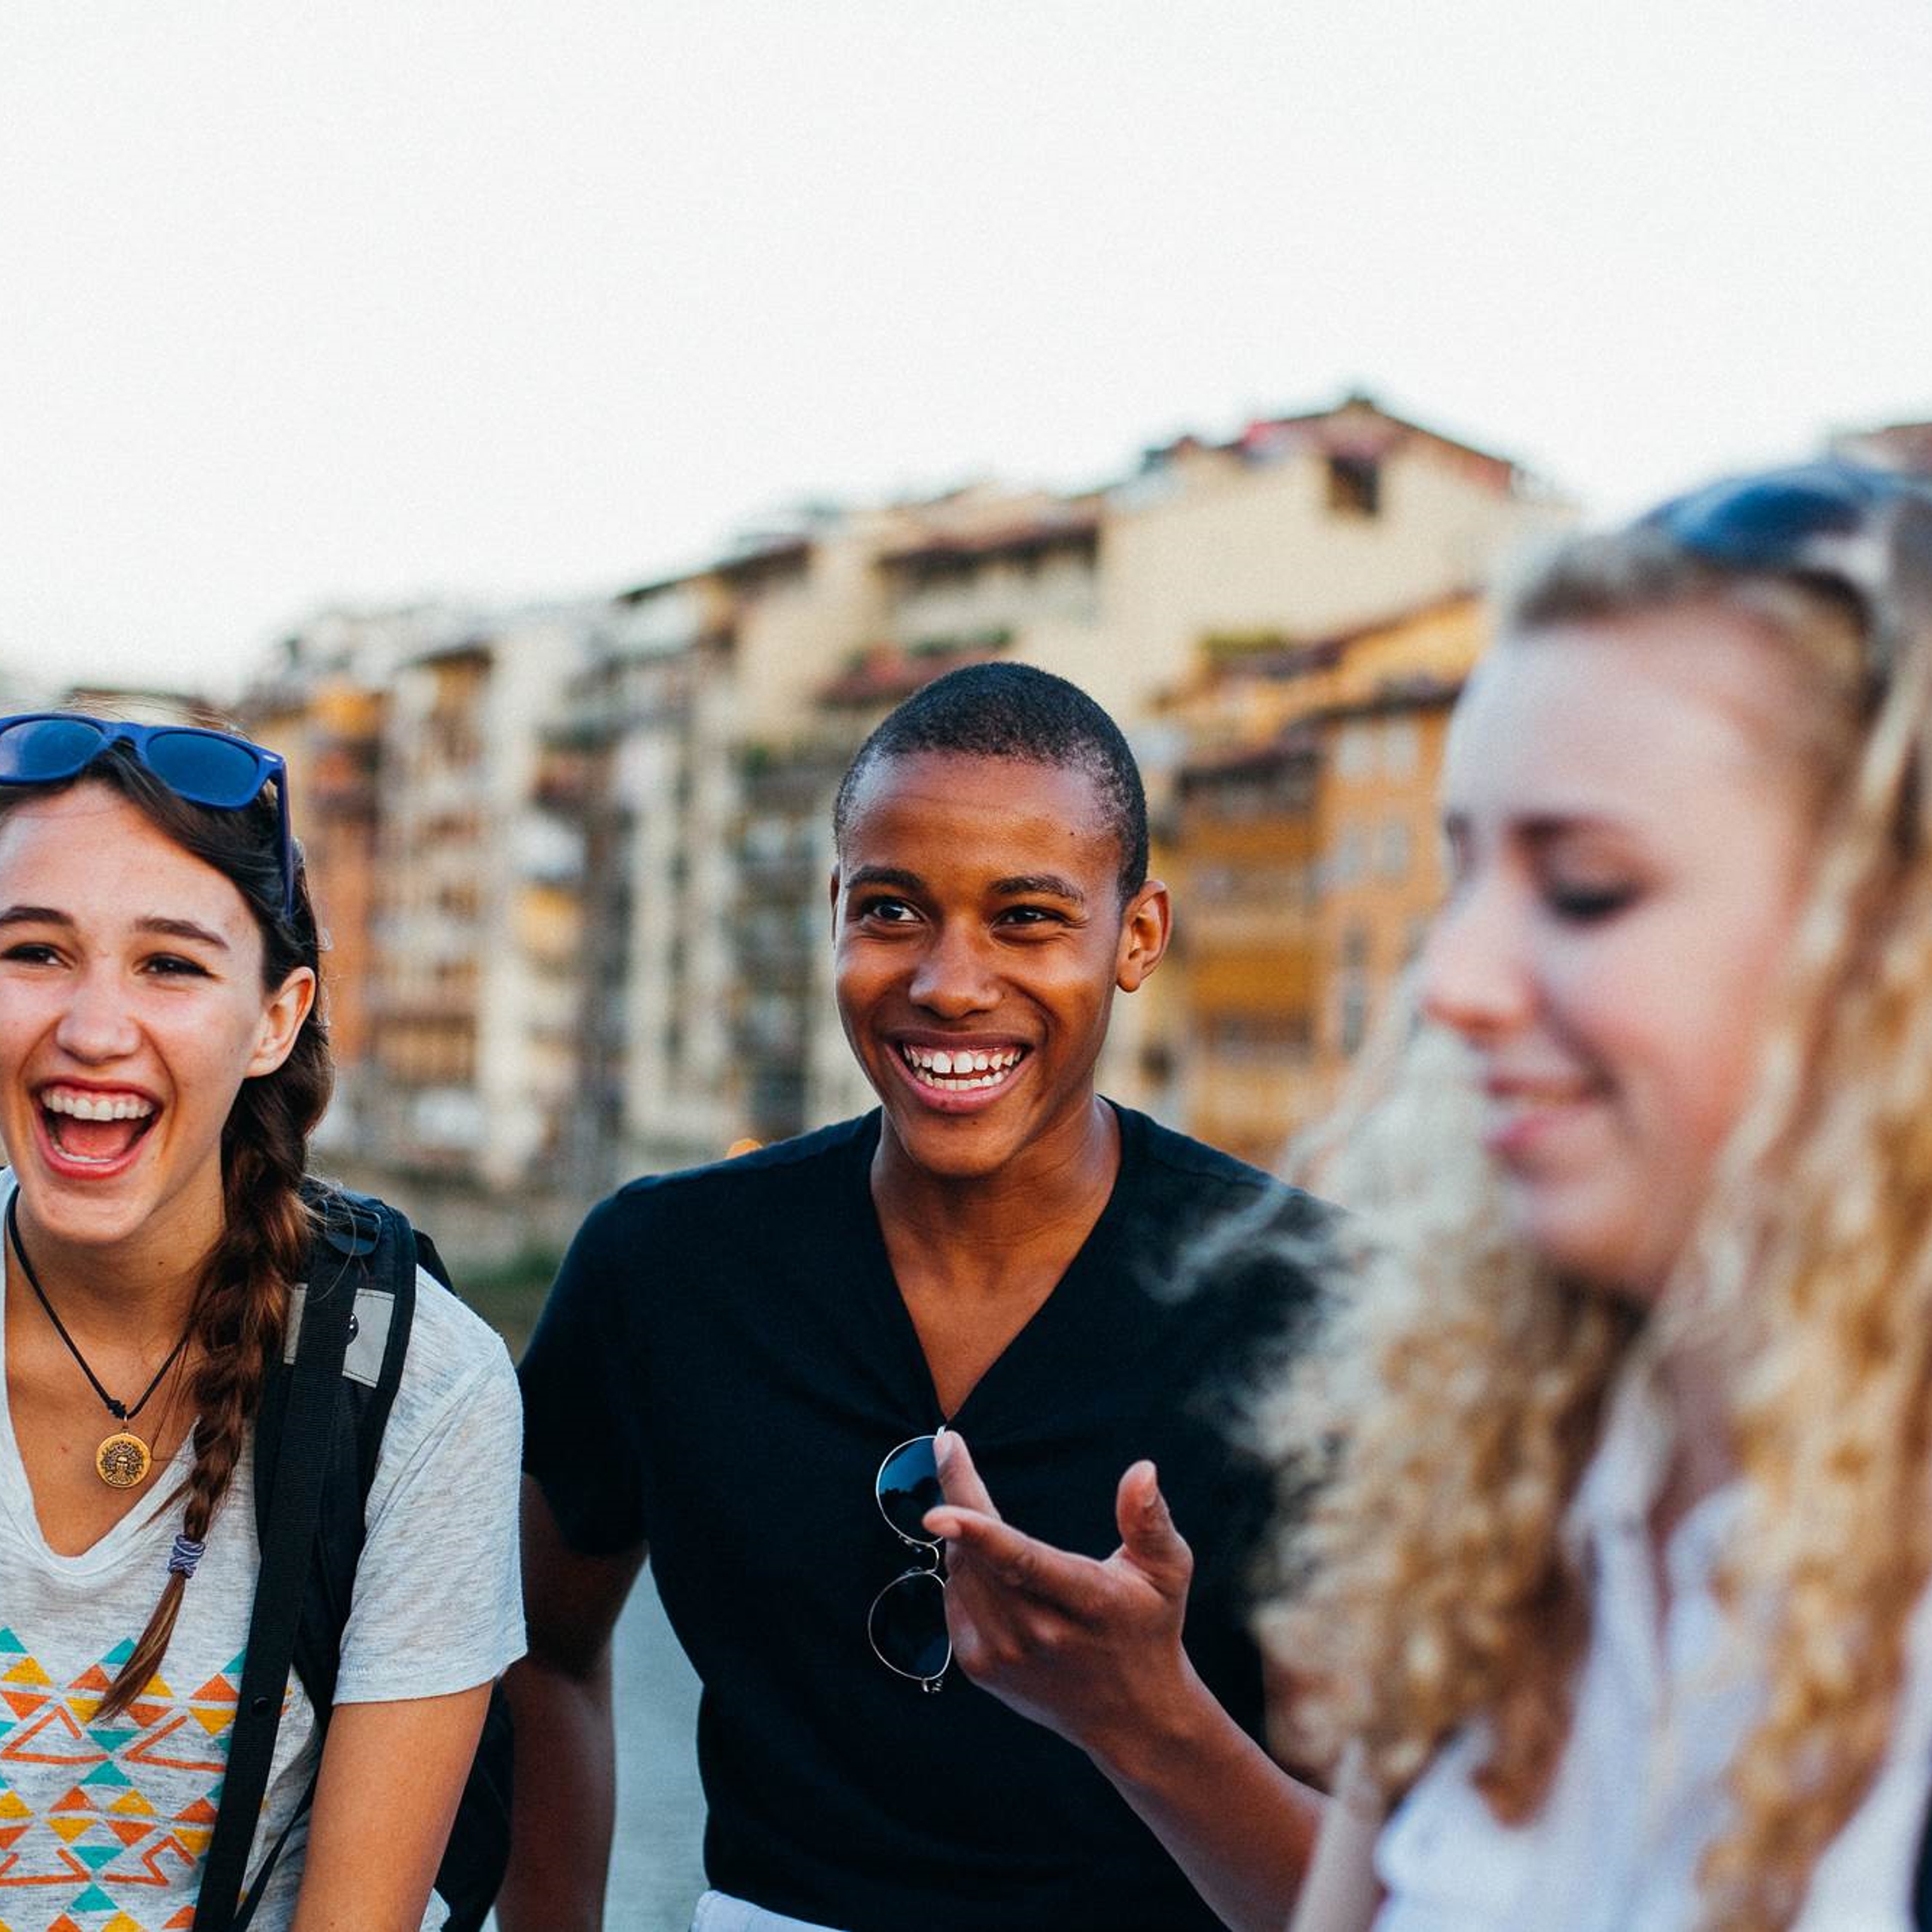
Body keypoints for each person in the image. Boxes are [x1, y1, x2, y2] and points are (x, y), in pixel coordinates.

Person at [505, 662, 1328, 1932]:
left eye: (1027, 919)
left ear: (1137, 936)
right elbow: (539, 1650)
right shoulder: (662, 1270)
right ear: (833, 910)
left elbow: (1401, 1894)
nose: (949, 982)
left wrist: (1147, 1717)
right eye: (892, 910)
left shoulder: (1315, 1305)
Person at [1243, 460, 1932, 1931]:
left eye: (1586, 888)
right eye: (1462, 872)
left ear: (1886, 953)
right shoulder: (1496, 1520)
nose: (1453, 982)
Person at [0, 712, 523, 1930]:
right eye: (34, 952)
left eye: (170, 964)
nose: (91, 1026)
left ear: (276, 1017)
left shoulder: (417, 1382)